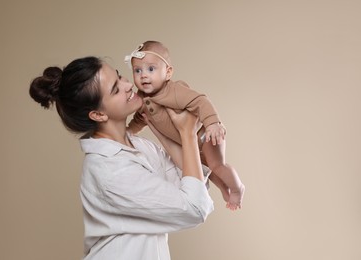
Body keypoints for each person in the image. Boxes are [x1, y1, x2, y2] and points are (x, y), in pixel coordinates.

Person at [29, 56, 214, 260]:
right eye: (115, 89)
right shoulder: (110, 169)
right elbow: (195, 209)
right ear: (98, 115)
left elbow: (191, 184)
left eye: (119, 76)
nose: (128, 84)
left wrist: (164, 127)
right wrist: (187, 132)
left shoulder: (137, 145)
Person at [125, 41, 245, 210]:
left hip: (207, 136)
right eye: (138, 70)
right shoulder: (143, 98)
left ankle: (238, 188)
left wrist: (212, 123)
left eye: (150, 69)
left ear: (168, 72)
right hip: (192, 144)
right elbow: (140, 118)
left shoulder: (174, 91)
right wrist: (128, 132)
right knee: (207, 170)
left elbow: (199, 100)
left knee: (217, 165)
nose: (143, 75)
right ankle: (225, 189)